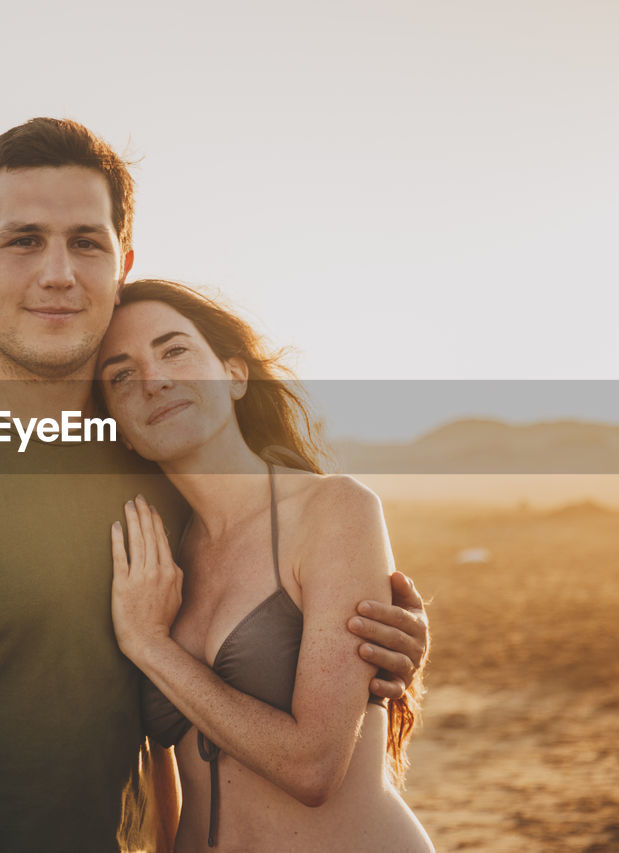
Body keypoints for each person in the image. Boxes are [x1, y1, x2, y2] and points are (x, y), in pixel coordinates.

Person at [0, 118, 430, 852]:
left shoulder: (150, 463)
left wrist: (379, 646)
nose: (59, 272)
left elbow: (266, 609)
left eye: (87, 242)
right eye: (24, 239)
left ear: (122, 262)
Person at [101, 279, 433, 851]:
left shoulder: (334, 510)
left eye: (174, 350)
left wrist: (151, 647)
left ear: (235, 375)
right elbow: (164, 785)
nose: (153, 379)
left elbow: (314, 768)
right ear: (119, 429)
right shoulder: (153, 558)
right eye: (121, 375)